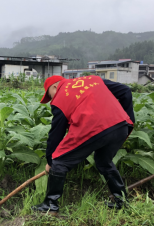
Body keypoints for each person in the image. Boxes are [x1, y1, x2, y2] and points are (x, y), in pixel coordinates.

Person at [32, 75, 135, 213]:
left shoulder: (60, 98)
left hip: (93, 129)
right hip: (121, 125)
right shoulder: (93, 80)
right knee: (103, 161)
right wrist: (127, 118)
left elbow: (56, 134)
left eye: (50, 95)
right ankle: (121, 201)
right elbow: (125, 91)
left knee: (59, 161)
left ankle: (50, 205)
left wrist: (50, 162)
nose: (52, 100)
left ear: (55, 87)